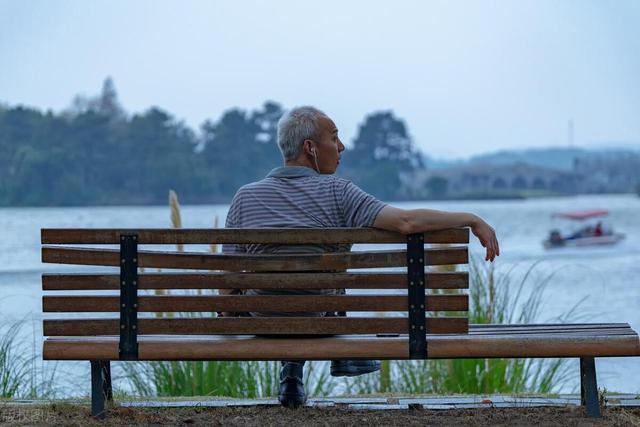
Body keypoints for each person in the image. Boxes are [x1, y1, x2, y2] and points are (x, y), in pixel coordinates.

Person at [221, 106, 499, 408]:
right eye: (334, 138)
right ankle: (338, 355)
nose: (341, 147)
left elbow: (227, 281)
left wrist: (233, 313)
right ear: (310, 148)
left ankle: (292, 369)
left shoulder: (244, 197)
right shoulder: (339, 192)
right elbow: (406, 222)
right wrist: (470, 218)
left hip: (262, 321)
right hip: (320, 321)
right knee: (325, 286)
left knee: (293, 289)